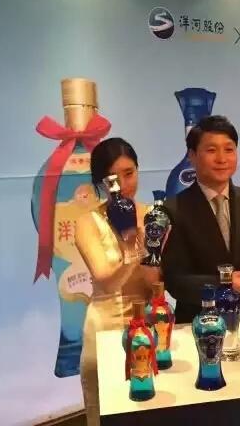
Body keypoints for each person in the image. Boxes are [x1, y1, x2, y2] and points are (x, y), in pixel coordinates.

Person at [162, 115, 240, 323]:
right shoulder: (173, 209)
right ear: (192, 156)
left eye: (229, 149)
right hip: (201, 322)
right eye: (211, 150)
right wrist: (226, 283)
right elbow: (175, 281)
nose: (222, 159)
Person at [74, 137, 158, 426]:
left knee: (153, 410)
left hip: (147, 328)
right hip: (104, 330)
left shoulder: (153, 216)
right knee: (105, 414)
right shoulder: (88, 222)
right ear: (100, 182)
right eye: (112, 179)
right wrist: (131, 244)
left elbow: (157, 282)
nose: (123, 185)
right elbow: (106, 282)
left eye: (129, 173)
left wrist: (150, 238)